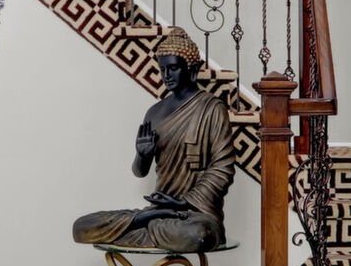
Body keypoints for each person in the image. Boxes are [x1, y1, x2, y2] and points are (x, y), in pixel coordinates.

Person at [72, 27, 234, 253]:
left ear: (193, 69)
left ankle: (142, 226)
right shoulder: (154, 112)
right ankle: (149, 218)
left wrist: (184, 202)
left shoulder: (212, 109)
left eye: (174, 68)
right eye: (163, 69)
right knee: (81, 226)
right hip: (158, 211)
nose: (167, 75)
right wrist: (142, 155)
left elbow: (223, 166)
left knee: (200, 236)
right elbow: (140, 171)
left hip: (194, 214)